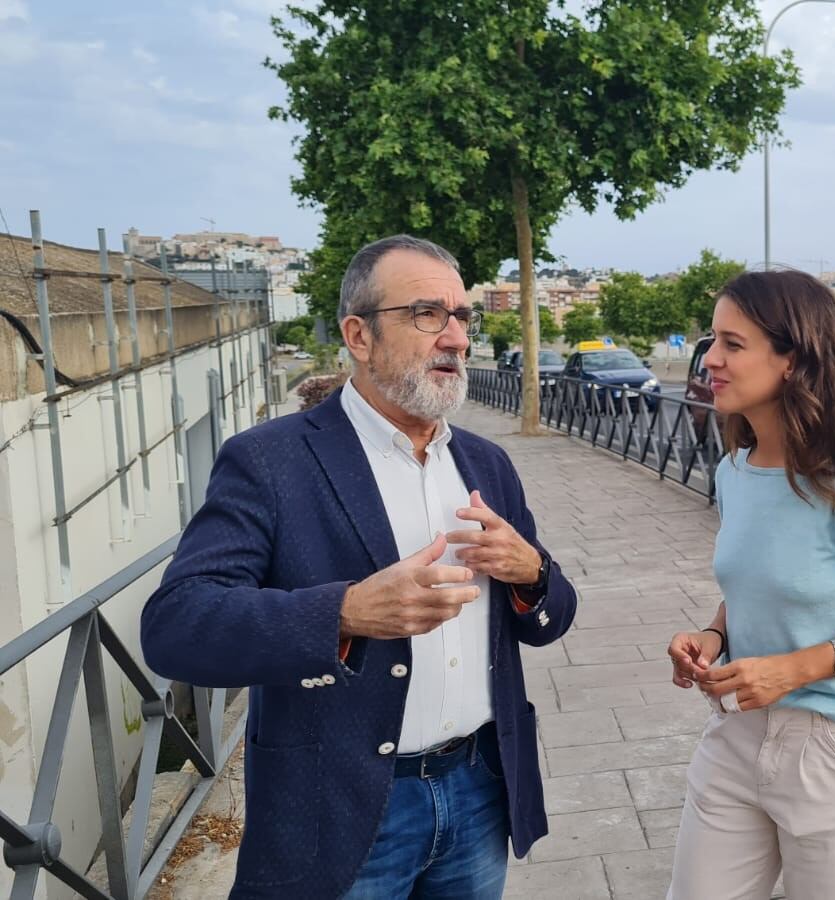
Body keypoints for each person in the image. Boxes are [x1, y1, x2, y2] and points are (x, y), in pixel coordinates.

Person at [140, 235, 577, 899]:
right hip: (340, 809)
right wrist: (343, 612)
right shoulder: (269, 462)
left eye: (462, 316)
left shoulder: (486, 465)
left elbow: (550, 621)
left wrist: (532, 573)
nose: (455, 337)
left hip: (478, 794)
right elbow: (175, 625)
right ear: (359, 336)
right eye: (427, 314)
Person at [664, 270, 835, 900]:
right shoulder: (737, 470)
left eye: (732, 344)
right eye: (713, 340)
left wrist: (795, 669)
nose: (710, 358)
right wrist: (713, 634)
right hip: (734, 733)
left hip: (834, 750)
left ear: (793, 358)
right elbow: (755, 583)